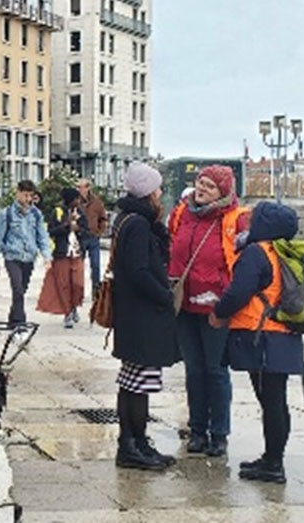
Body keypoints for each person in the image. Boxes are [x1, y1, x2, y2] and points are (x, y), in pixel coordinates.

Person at [210, 202, 302, 484]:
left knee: (271, 402)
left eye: (255, 219)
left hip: (262, 336)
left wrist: (219, 313)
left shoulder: (256, 252)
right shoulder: (283, 252)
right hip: (284, 334)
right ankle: (273, 458)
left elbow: (238, 292)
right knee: (277, 401)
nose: (249, 223)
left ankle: (273, 464)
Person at [167, 166, 249, 457]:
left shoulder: (235, 219)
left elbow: (244, 263)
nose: (202, 189)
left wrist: (227, 303)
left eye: (210, 186)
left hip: (217, 307)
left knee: (215, 370)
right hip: (185, 304)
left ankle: (219, 433)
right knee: (194, 370)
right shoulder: (181, 213)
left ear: (223, 192)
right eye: (200, 183)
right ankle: (197, 430)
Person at [111, 162, 178, 471]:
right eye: (157, 188)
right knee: (140, 383)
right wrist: (165, 295)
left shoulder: (126, 218)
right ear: (148, 192)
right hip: (142, 316)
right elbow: (139, 271)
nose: (160, 193)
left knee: (131, 380)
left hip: (131, 313)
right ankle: (133, 444)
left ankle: (133, 443)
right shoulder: (139, 224)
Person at [0, 180, 52, 327]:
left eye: (30, 196)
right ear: (17, 193)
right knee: (17, 288)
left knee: (22, 290)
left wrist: (47, 256)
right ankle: (20, 321)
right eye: (25, 195)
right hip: (13, 256)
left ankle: (13, 318)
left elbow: (42, 236)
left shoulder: (36, 214)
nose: (28, 199)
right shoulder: (6, 214)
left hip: (29, 257)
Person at [38, 187, 89, 329]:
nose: (78, 201)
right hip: (62, 253)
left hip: (77, 253)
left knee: (78, 284)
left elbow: (87, 231)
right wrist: (67, 226)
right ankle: (67, 312)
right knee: (64, 284)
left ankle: (74, 305)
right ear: (70, 200)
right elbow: (51, 231)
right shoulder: (58, 212)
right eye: (76, 199)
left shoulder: (81, 213)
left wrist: (78, 229)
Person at [76, 179, 108, 296]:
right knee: (78, 266)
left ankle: (96, 290)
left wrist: (100, 231)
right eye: (78, 187)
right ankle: (78, 290)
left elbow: (103, 218)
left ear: (88, 187)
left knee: (95, 265)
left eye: (82, 187)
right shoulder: (75, 202)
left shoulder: (96, 202)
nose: (80, 189)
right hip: (80, 238)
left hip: (93, 237)